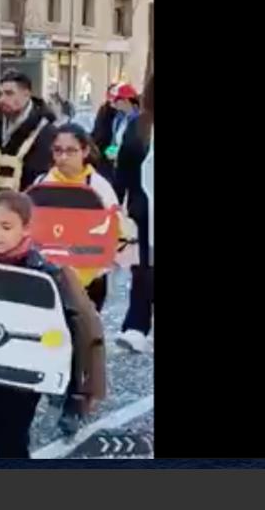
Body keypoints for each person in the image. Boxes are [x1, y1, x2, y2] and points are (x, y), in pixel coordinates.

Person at [0, 191, 106, 455]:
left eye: (6, 227)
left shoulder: (49, 273)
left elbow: (86, 328)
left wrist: (86, 387)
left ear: (26, 228)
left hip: (28, 368)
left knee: (13, 438)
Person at [32, 123, 127, 313]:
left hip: (90, 281)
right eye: (58, 151)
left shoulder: (99, 188)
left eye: (70, 151)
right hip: (48, 277)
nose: (63, 157)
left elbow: (117, 235)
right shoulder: (41, 183)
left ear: (85, 151)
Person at [114, 75, 154, 353]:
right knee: (145, 270)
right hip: (147, 212)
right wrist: (117, 205)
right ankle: (136, 326)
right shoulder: (140, 127)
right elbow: (124, 169)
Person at [0, 70, 57, 205]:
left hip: (28, 206)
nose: (2, 99)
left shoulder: (46, 130)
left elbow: (41, 173)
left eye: (9, 93)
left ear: (26, 94)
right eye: (1, 94)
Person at [106, 83, 140, 168]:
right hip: (119, 166)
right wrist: (110, 152)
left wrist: (118, 153)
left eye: (117, 100)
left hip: (132, 167)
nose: (114, 103)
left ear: (126, 100)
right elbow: (114, 142)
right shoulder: (119, 119)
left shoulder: (139, 120)